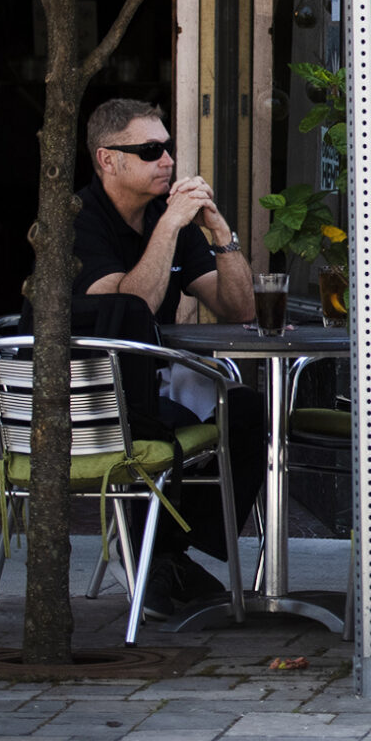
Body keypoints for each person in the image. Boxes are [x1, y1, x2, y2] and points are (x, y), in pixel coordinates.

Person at [71, 98, 266, 615]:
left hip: (150, 383)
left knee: (245, 411)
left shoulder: (167, 217)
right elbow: (130, 308)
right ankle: (150, 554)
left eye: (168, 148)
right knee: (179, 424)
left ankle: (168, 552)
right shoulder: (79, 221)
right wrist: (170, 227)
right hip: (89, 396)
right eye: (151, 150)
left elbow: (239, 307)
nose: (169, 161)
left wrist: (220, 232)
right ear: (107, 160)